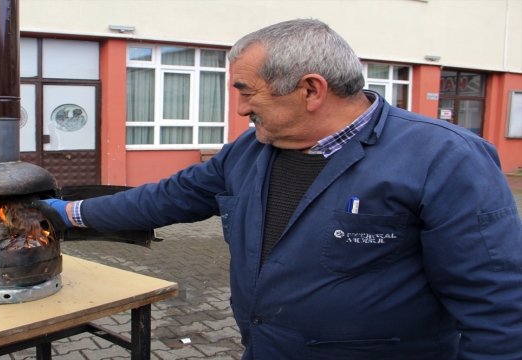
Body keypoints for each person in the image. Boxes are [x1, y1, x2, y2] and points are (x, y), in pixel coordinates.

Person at [30, 19, 522, 359]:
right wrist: (67, 213)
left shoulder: (445, 158)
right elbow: (163, 198)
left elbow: (496, 306)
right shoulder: (250, 152)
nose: (240, 108)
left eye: (246, 90)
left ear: (311, 90)